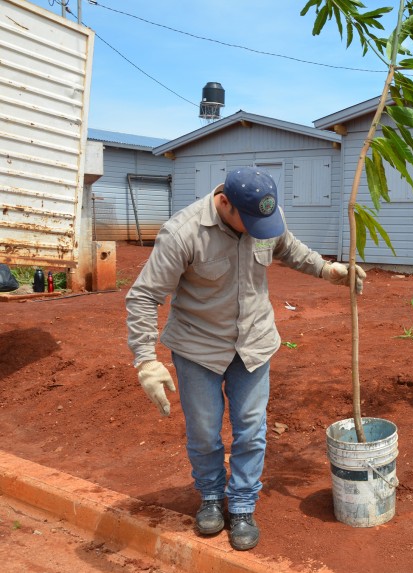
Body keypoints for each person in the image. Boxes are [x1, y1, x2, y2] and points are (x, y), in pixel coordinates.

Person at [125, 167, 364, 551]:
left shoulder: (263, 216)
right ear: (224, 203)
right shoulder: (183, 232)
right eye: (249, 222)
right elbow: (143, 296)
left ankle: (240, 503)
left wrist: (326, 268)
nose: (258, 229)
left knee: (251, 429)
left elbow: (288, 247)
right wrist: (145, 359)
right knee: (204, 433)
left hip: (253, 344)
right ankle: (209, 495)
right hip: (197, 347)